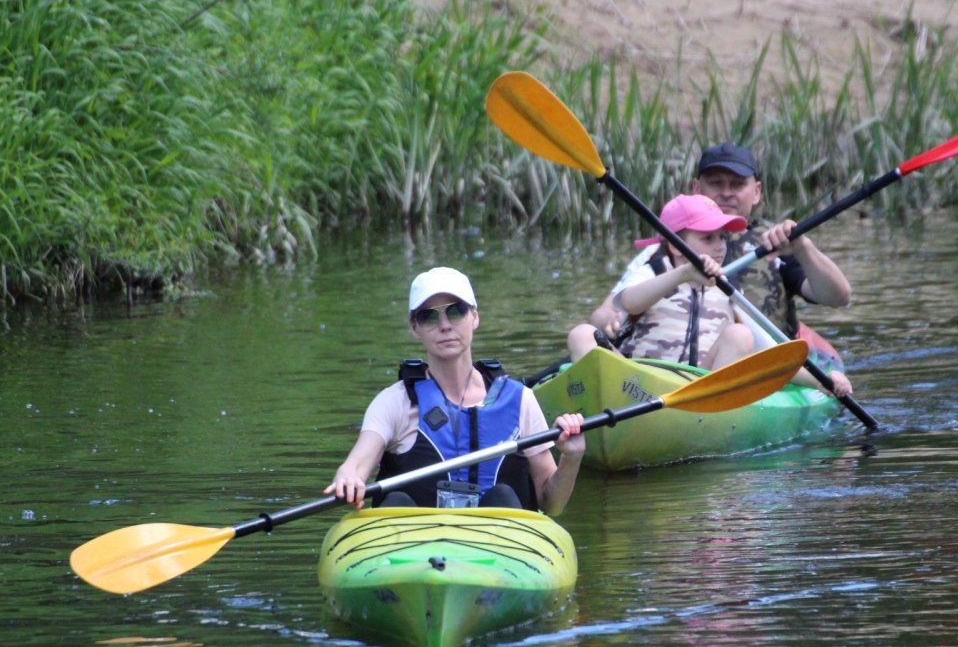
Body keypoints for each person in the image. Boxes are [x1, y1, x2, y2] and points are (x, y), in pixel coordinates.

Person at [586, 142, 853, 397]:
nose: (726, 192)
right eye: (716, 183)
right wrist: (605, 322)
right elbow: (608, 312)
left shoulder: (775, 243)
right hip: (657, 371)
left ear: (757, 191)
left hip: (742, 365)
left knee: (740, 335)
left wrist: (802, 247)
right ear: (696, 188)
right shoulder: (664, 251)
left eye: (737, 184)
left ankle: (706, 404)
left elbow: (839, 298)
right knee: (582, 335)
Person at [326, 267, 585, 515]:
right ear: (415, 328)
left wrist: (571, 459)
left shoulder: (520, 401)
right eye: (429, 316)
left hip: (500, 551)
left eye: (455, 311)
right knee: (396, 502)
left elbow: (551, 504)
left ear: (474, 317)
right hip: (416, 553)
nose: (444, 325)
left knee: (503, 497)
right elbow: (357, 464)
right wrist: (349, 476)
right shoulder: (395, 402)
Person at [567, 194, 755, 370]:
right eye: (708, 238)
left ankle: (718, 403)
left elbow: (756, 342)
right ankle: (608, 400)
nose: (720, 246)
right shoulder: (652, 272)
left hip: (700, 387)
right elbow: (629, 303)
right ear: (675, 246)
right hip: (638, 383)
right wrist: (684, 274)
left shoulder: (728, 284)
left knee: (740, 335)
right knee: (582, 335)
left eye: (722, 237)